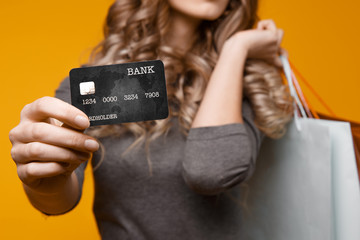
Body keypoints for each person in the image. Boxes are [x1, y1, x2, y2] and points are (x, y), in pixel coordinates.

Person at [9, 0, 293, 239]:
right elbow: (58, 200)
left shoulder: (249, 82)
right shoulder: (93, 85)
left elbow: (209, 170)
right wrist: (42, 180)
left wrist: (236, 49)